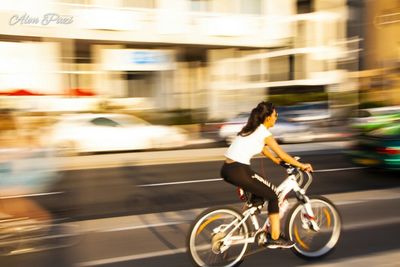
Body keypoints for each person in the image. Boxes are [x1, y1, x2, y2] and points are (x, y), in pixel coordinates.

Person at [220, 101, 313, 249]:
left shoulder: (252, 129)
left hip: (228, 169)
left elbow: (263, 149)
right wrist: (301, 165)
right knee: (274, 196)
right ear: (268, 117)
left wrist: (276, 161)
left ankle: (244, 218)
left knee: (259, 196)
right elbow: (282, 153)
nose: (277, 117)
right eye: (276, 115)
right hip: (239, 170)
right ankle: (274, 237)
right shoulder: (264, 133)